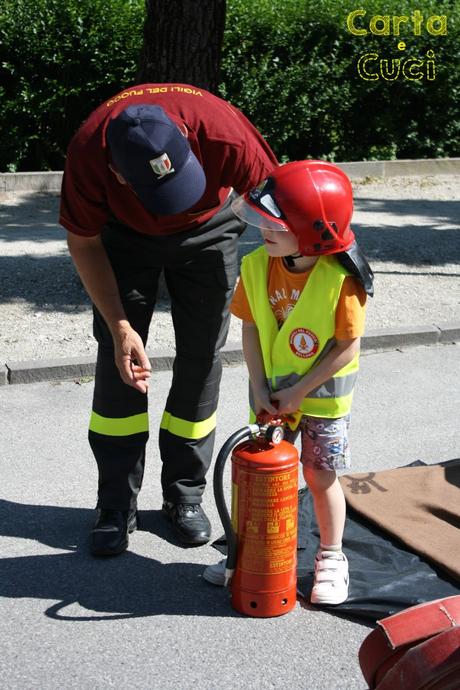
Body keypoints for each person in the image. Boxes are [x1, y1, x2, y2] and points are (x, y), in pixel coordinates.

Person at [59, 83, 278, 556]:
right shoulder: (88, 154)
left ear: (187, 141)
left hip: (211, 228)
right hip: (124, 237)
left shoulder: (224, 132)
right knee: (121, 365)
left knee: (201, 358)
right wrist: (119, 326)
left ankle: (185, 495)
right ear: (116, 171)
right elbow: (84, 241)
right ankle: (115, 504)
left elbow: (283, 209)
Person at [203, 160, 373, 605]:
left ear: (315, 231)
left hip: (319, 404)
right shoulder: (257, 266)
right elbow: (252, 328)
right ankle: (246, 554)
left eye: (275, 226)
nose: (262, 231)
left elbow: (346, 348)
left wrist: (299, 392)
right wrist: (259, 387)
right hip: (270, 398)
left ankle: (332, 559)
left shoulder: (342, 281)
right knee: (258, 478)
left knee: (319, 477)